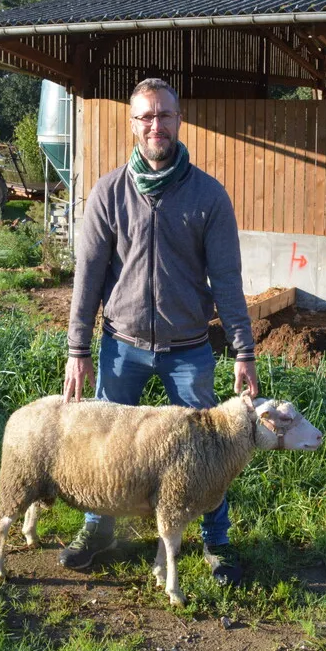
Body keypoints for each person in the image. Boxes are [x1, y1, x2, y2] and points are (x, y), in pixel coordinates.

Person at [61, 77, 260, 586]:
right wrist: (77, 348)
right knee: (107, 448)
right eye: (146, 117)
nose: (156, 125)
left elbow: (228, 279)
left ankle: (217, 543)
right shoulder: (108, 193)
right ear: (133, 124)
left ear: (179, 120)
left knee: (213, 450)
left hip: (189, 349)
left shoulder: (208, 196)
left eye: (164, 116)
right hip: (122, 346)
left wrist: (243, 349)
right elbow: (87, 277)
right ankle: (97, 529)